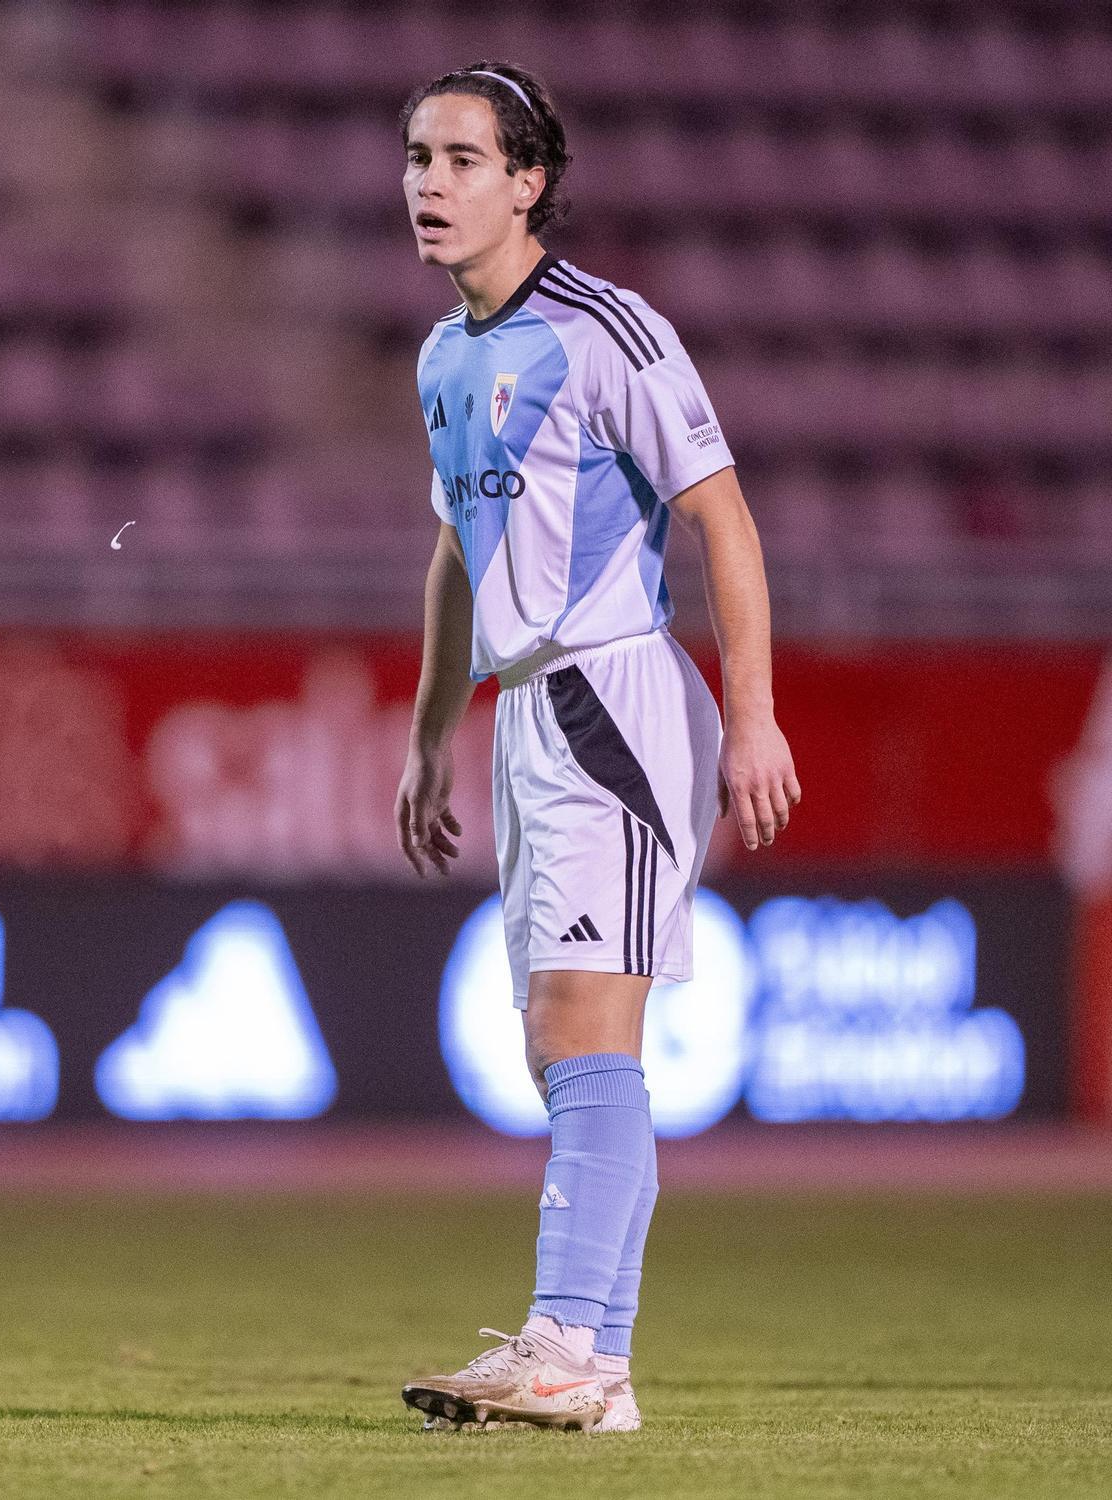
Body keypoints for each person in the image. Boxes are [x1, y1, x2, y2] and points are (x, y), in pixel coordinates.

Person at [393, 61, 800, 1435]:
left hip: (614, 698)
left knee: (582, 1033)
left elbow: (723, 518)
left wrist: (751, 713)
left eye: (460, 159)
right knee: (558, 1049)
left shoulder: (609, 331)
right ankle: (595, 1372)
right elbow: (460, 550)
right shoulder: (446, 356)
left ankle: (566, 1346)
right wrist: (430, 732)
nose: (429, 186)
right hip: (528, 715)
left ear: (529, 183)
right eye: (416, 158)